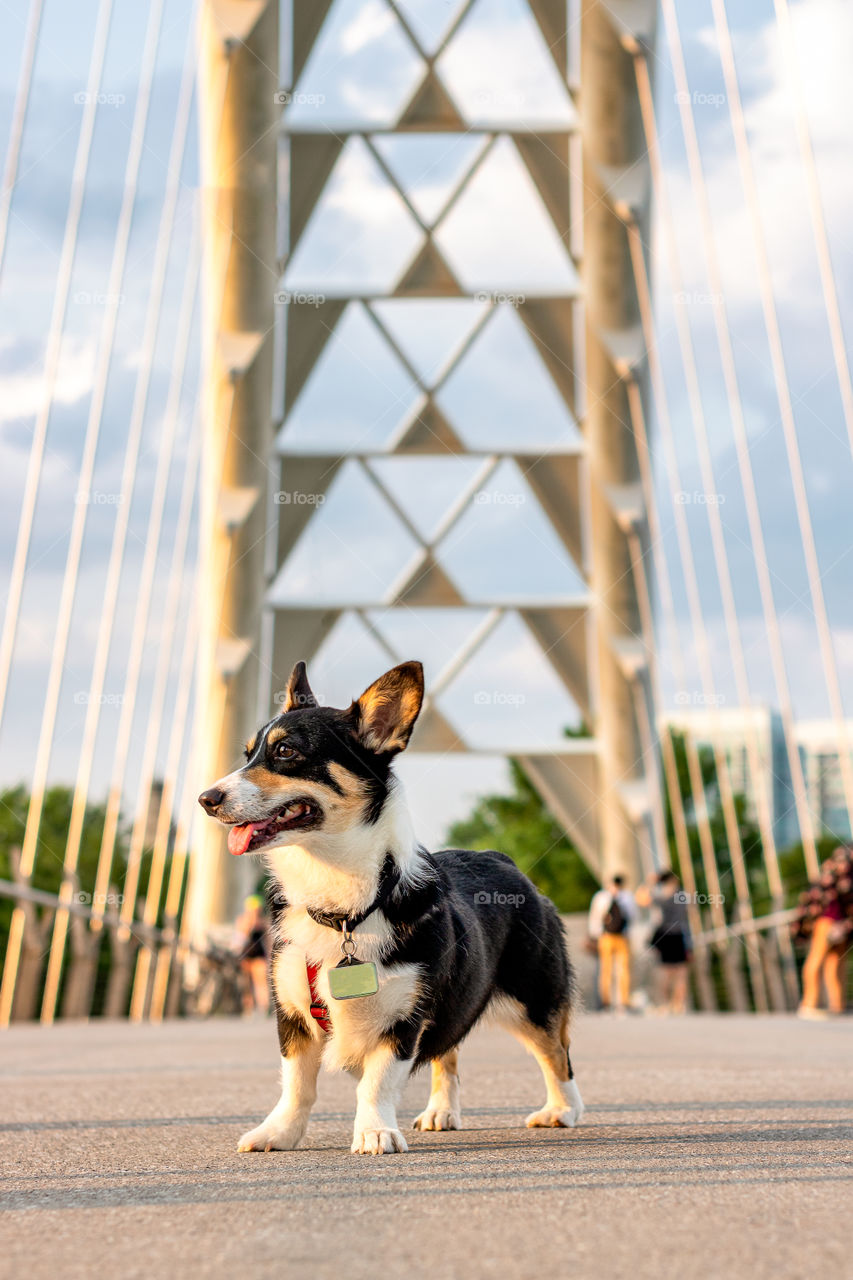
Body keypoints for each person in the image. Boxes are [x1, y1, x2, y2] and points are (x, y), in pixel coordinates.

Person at [793, 846, 852, 1019]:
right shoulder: (831, 873)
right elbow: (814, 898)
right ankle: (808, 1004)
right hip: (826, 921)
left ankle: (837, 1005)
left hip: (842, 925)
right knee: (816, 960)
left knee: (835, 964)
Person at [636, 871, 692, 1015]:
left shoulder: (661, 898)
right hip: (680, 934)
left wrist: (649, 882)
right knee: (681, 973)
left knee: (665, 972)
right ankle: (679, 1005)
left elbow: (640, 899)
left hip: (665, 935)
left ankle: (665, 1004)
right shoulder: (683, 897)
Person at [588, 874, 637, 1011]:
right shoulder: (626, 897)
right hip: (613, 936)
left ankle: (621, 1000)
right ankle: (608, 1000)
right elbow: (633, 916)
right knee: (610, 969)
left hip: (613, 936)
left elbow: (595, 917)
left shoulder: (603, 897)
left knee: (618, 969)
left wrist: (594, 934)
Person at [233, 894, 269, 1014]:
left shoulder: (263, 922)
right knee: (246, 983)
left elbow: (268, 940)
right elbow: (240, 937)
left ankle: (263, 1007)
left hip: (259, 954)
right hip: (246, 954)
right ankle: (248, 1007)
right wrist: (249, 923)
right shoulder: (242, 920)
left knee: (260, 981)